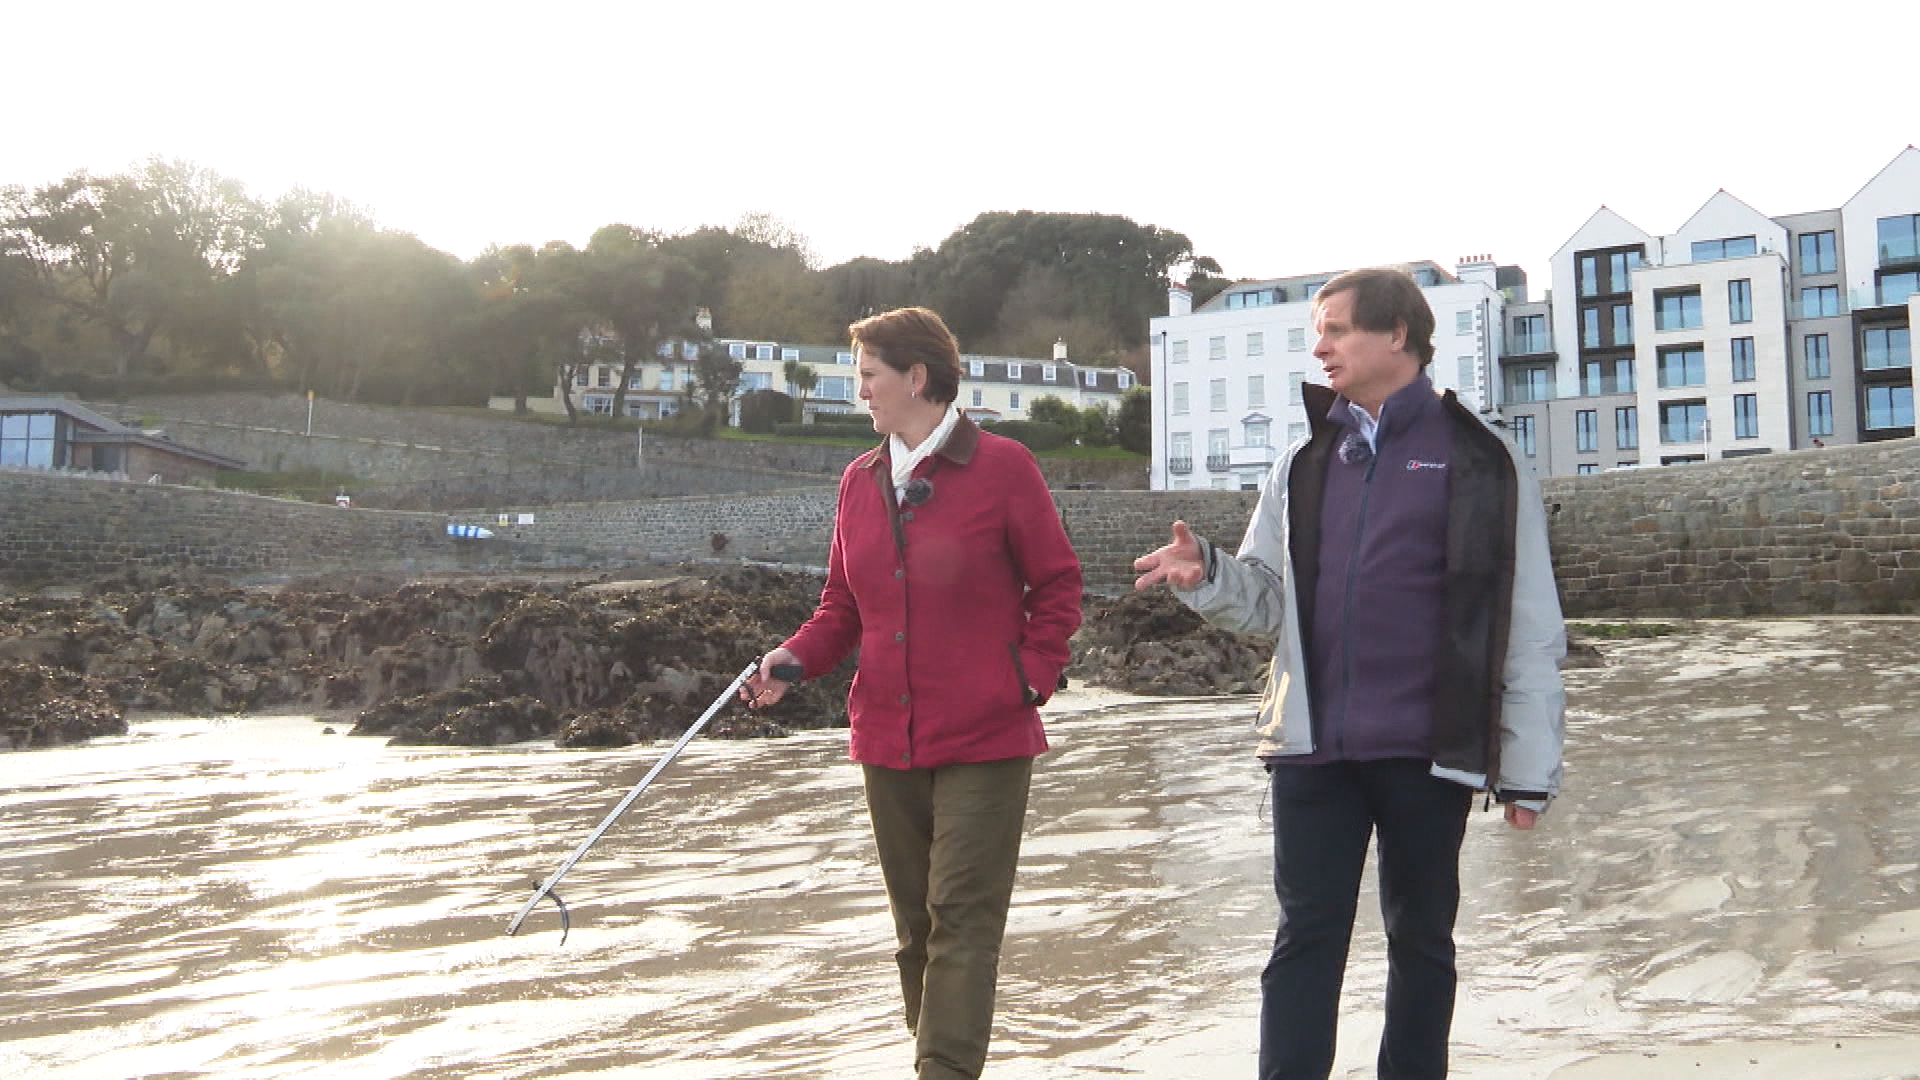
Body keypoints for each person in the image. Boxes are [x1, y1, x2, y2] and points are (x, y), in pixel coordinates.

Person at [1133, 267, 1565, 1080]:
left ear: (1397, 334)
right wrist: (1208, 576)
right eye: (1317, 333)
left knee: (1423, 942)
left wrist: (1528, 768)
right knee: (1304, 939)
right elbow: (1268, 604)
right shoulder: (1302, 461)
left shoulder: (1482, 456)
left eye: (1335, 330)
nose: (1320, 348)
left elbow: (1529, 620)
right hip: (1311, 749)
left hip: (1429, 750)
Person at [743, 306, 1083, 1080]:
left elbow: (1059, 584)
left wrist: (1029, 677)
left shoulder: (1003, 466)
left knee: (961, 918)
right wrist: (790, 660)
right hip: (885, 737)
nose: (859, 390)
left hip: (987, 735)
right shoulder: (858, 481)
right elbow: (841, 608)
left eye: (868, 375)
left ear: (916, 377)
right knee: (916, 930)